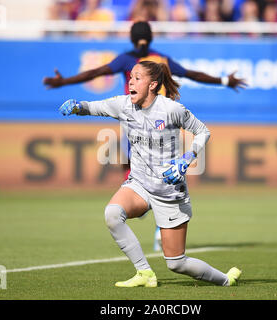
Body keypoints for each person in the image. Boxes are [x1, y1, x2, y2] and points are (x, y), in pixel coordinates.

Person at [43, 20, 247, 252]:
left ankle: (159, 217)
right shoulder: (160, 60)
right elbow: (192, 74)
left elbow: (96, 72)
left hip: (140, 125)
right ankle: (159, 213)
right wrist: (224, 80)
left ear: (132, 38)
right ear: (151, 38)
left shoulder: (129, 59)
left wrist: (64, 82)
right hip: (155, 125)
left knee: (144, 176)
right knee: (147, 175)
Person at [57, 60, 242, 287]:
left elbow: (203, 131)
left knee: (176, 263)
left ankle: (225, 280)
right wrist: (77, 107)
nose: (130, 82)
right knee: (112, 215)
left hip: (169, 191)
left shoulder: (171, 109)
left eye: (137, 78)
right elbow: (93, 107)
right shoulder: (123, 105)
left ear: (153, 85)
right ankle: (145, 273)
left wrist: (187, 158)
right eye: (130, 77)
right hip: (140, 185)